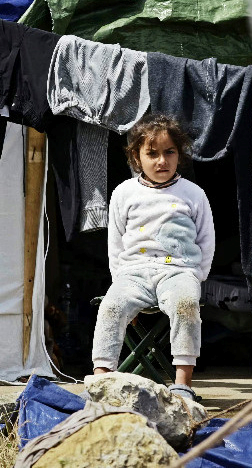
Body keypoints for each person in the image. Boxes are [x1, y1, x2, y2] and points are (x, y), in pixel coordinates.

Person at [91, 114, 216, 403]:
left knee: (186, 306)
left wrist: (196, 277)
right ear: (137, 157)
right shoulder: (124, 193)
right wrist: (120, 284)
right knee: (111, 307)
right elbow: (115, 243)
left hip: (179, 272)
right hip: (133, 273)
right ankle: (101, 380)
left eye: (169, 152)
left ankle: (182, 383)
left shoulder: (193, 194)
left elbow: (206, 240)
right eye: (152, 154)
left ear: (179, 155)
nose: (162, 161)